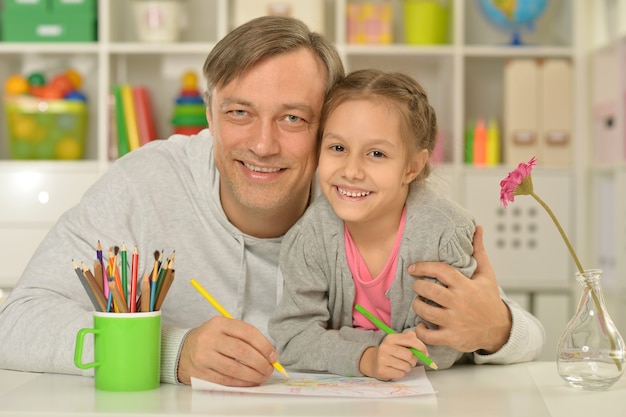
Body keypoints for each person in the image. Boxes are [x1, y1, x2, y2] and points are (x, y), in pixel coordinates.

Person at [0, 16, 544, 388]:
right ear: (209, 117)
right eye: (239, 113)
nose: (263, 144)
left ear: (328, 128)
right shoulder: (143, 184)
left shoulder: (366, 200)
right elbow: (16, 322)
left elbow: (518, 332)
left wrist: (495, 328)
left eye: (293, 118)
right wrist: (173, 352)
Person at [270, 69, 478, 380]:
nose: (351, 171)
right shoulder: (310, 236)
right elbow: (292, 339)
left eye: (376, 153)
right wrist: (367, 357)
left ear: (412, 167)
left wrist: (341, 340)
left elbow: (449, 342)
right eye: (338, 148)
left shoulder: (444, 234)